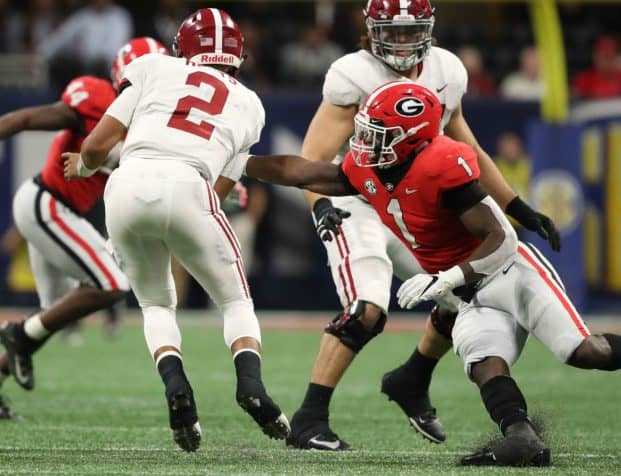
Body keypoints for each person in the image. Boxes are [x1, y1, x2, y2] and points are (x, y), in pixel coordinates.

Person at [248, 80, 621, 466]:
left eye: (380, 136)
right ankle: (521, 437)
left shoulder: (441, 165)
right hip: (468, 290)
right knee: (484, 363)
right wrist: (237, 163)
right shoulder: (368, 168)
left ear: (412, 139)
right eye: (366, 131)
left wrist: (448, 279)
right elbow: (298, 170)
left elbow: (500, 239)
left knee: (583, 352)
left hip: (510, 272)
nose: (365, 143)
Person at [287, 0, 560, 451]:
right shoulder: (352, 74)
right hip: (359, 197)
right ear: (371, 30)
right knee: (368, 307)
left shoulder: (446, 71)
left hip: (414, 204)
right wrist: (320, 206)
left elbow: (468, 149)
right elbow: (312, 159)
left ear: (429, 28)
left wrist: (517, 206)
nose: (399, 41)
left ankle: (413, 377)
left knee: (460, 295)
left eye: (408, 30)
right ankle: (309, 419)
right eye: (389, 32)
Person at [62, 8, 291, 452]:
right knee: (235, 300)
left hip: (126, 185)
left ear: (184, 47)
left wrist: (85, 166)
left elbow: (94, 146)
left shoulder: (152, 67)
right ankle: (251, 386)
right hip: (190, 186)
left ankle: (175, 384)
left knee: (154, 305)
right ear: (238, 54)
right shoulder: (250, 103)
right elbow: (220, 186)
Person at [0, 37, 166, 418]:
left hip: (61, 212)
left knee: (49, 320)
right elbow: (26, 119)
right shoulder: (97, 99)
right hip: (47, 204)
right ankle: (18, 334)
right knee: (110, 285)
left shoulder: (153, 126)